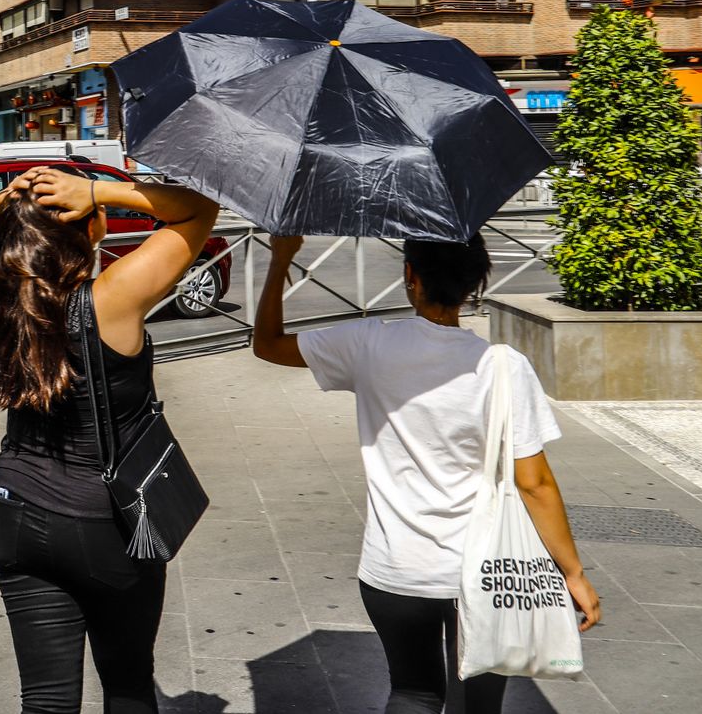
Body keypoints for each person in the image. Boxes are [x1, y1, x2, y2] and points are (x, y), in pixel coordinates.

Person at [251, 235, 600, 714]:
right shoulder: (503, 367)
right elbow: (534, 483)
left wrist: (280, 261)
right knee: (479, 702)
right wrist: (573, 573)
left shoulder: (368, 344)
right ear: (476, 282)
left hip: (393, 568)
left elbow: (267, 345)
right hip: (484, 573)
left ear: (410, 277)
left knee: (412, 692)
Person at [0, 165, 219, 714]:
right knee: (128, 686)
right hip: (102, 523)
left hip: (15, 513)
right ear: (91, 227)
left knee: (45, 700)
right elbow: (199, 208)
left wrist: (2, 209)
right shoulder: (112, 298)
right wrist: (97, 188)